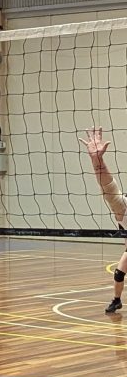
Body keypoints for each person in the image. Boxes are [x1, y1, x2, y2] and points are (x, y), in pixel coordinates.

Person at [81, 126, 127, 313]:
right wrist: (97, 160)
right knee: (118, 273)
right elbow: (109, 188)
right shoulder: (124, 207)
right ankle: (116, 300)